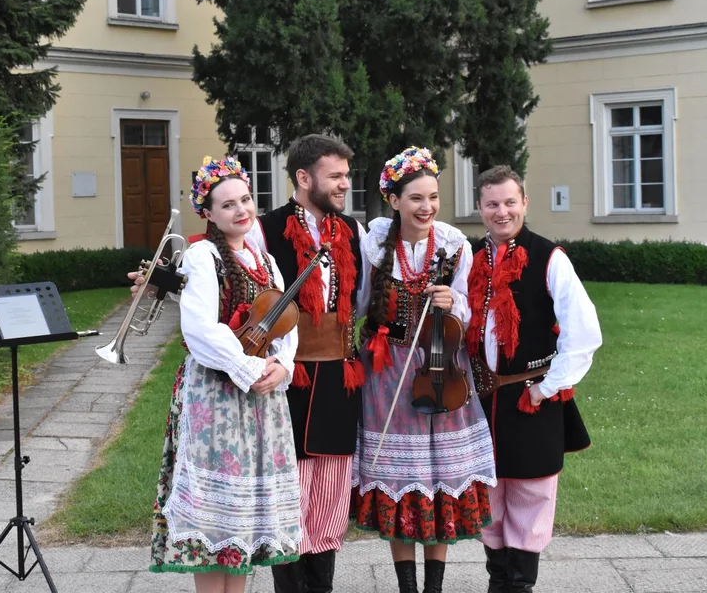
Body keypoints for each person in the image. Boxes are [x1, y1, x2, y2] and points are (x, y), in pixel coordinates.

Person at [148, 156, 302, 593]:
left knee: (243, 516)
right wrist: (249, 367)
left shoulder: (264, 260)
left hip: (261, 398)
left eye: (246, 199)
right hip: (215, 397)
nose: (241, 210)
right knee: (213, 520)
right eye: (228, 204)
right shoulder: (202, 255)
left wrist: (282, 366)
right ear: (210, 213)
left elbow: (285, 322)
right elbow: (200, 330)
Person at [353, 146, 496, 593]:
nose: (427, 207)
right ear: (394, 200)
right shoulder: (374, 243)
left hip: (441, 365)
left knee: (440, 476)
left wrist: (454, 305)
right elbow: (358, 304)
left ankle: (434, 585)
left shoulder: (454, 245)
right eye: (416, 198)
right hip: (387, 370)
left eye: (433, 197)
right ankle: (407, 586)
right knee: (399, 476)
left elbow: (470, 311)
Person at [465, 165, 601, 593]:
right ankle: (498, 582)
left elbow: (583, 333)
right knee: (488, 494)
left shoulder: (549, 257)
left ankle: (519, 586)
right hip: (481, 399)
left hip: (531, 397)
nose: (501, 211)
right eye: (492, 204)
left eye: (509, 202)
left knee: (531, 493)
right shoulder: (470, 258)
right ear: (480, 208)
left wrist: (546, 387)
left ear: (524, 202)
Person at [247, 135, 365, 593]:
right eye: (335, 176)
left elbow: (363, 297)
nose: (344, 183)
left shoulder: (352, 230)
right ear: (303, 177)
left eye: (345, 174)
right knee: (289, 492)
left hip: (339, 375)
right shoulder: (266, 229)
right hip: (288, 375)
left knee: (331, 492)